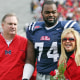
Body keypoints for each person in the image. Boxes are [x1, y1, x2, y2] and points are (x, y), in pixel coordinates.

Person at [22, 1, 80, 80]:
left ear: (57, 12)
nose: (51, 15)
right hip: (40, 75)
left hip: (59, 75)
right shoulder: (33, 29)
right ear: (41, 13)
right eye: (47, 12)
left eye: (53, 12)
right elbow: (30, 59)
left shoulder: (67, 26)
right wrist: (25, 77)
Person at [0, 13, 35, 80]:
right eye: (10, 24)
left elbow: (31, 63)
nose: (13, 26)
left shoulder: (25, 42)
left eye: (15, 24)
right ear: (3, 25)